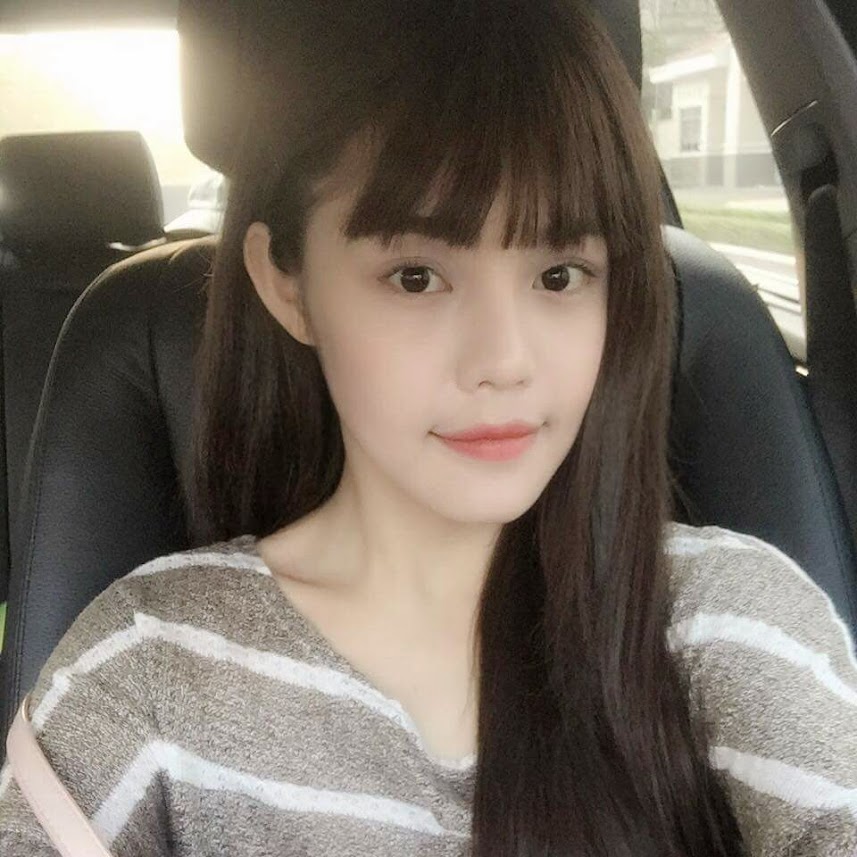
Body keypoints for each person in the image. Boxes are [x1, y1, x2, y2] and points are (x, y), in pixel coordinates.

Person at [2, 1, 856, 854]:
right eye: (416, 276)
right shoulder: (147, 669)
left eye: (560, 275)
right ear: (287, 284)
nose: (503, 360)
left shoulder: (731, 623)